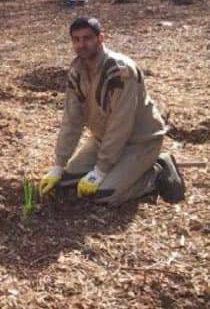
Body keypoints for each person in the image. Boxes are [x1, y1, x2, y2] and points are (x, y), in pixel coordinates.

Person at [38, 17, 185, 206]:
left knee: (104, 194)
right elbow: (71, 120)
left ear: (101, 38)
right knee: (66, 182)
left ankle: (155, 172)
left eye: (87, 38)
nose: (82, 44)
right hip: (103, 140)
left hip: (139, 141)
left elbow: (121, 124)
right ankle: (120, 170)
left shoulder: (121, 72)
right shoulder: (77, 71)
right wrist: (58, 165)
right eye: (76, 39)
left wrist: (101, 169)